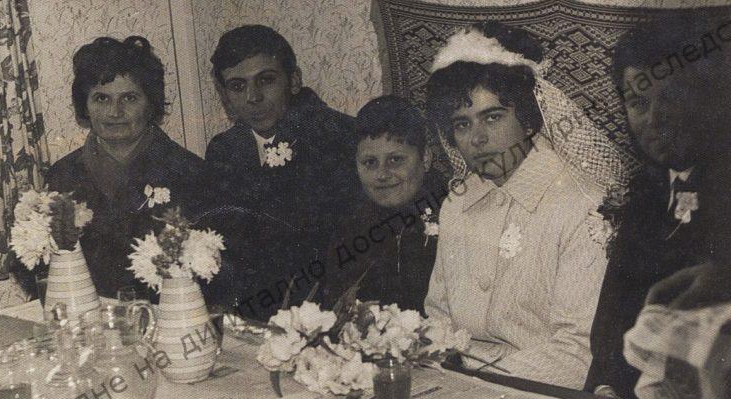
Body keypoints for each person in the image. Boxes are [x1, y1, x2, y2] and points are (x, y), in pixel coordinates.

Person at [423, 22, 622, 389]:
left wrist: (473, 385)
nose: (477, 139)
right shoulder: (456, 203)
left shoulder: (582, 206)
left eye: (493, 117)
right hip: (458, 388)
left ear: (529, 119)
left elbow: (577, 352)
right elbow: (438, 317)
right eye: (462, 124)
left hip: (544, 394)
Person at [584, 13, 728, 399]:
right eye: (638, 102)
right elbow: (611, 323)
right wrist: (604, 386)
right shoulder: (647, 192)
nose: (654, 119)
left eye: (672, 98)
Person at [203, 25, 360, 320]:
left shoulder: (341, 137)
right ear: (225, 96)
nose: (253, 97)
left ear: (294, 80)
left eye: (266, 80)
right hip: (249, 315)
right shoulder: (224, 149)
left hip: (325, 313)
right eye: (237, 86)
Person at [46, 36, 207, 298]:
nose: (115, 112)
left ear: (151, 104)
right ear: (85, 106)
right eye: (101, 98)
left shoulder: (191, 172)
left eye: (129, 98)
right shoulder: (61, 176)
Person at [321, 96, 447, 313]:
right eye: (370, 162)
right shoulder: (349, 228)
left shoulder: (451, 213)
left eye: (395, 160)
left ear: (425, 158)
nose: (382, 174)